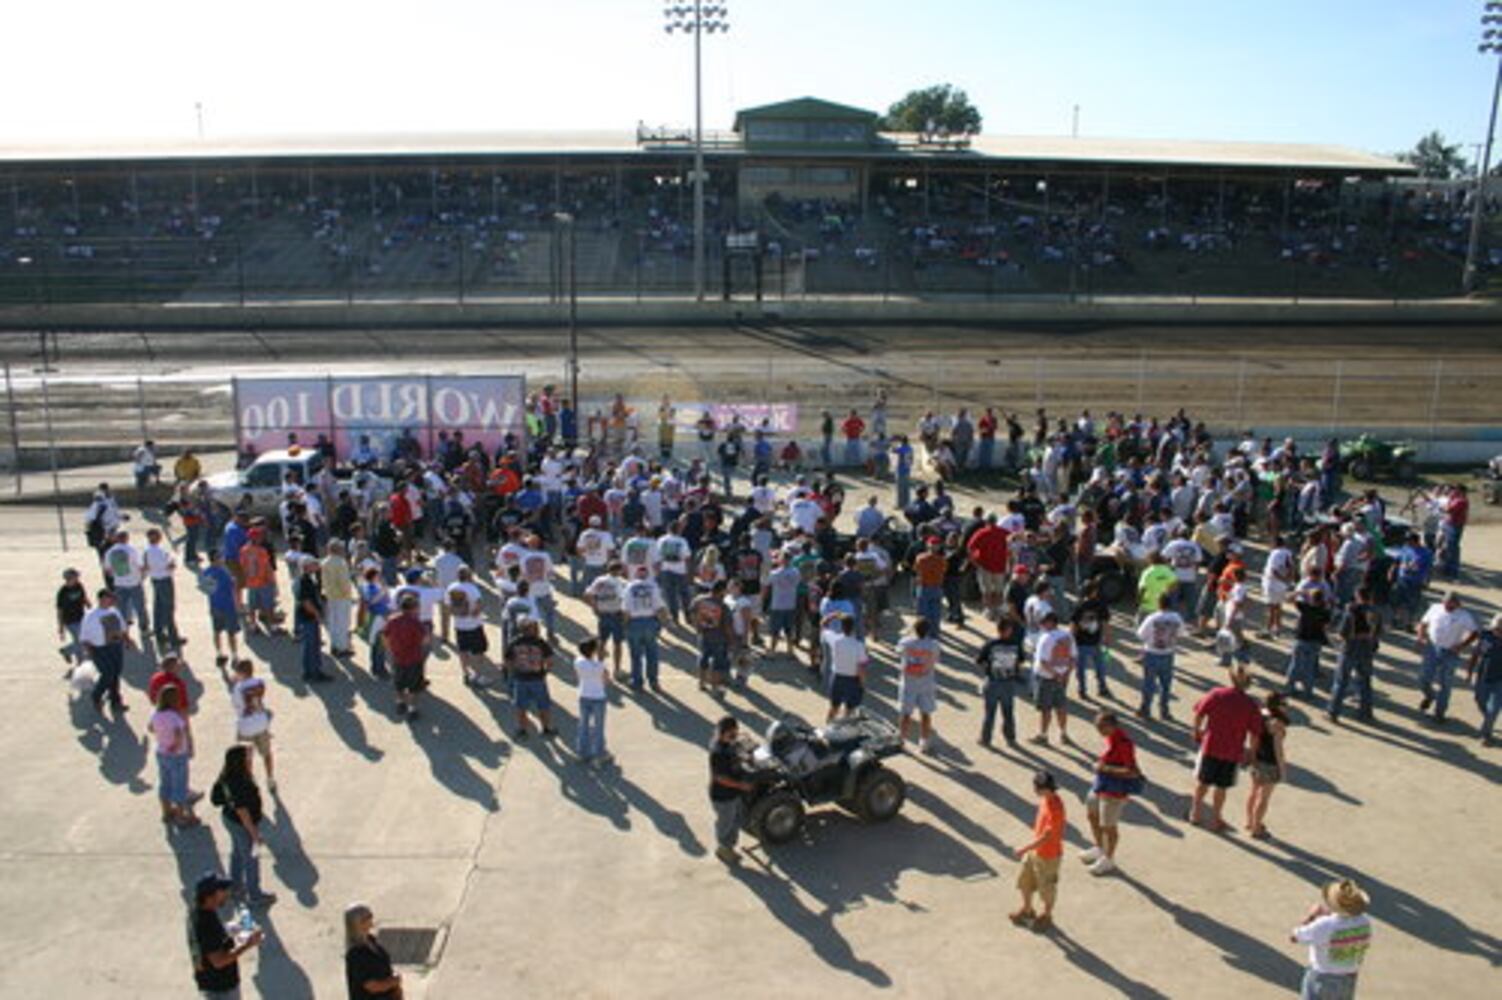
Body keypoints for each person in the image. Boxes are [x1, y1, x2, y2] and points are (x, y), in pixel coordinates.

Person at [1188, 665, 1264, 833]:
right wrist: (1251, 753)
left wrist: (1196, 731)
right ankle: (1216, 819)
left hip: (1211, 745)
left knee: (1202, 783)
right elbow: (1255, 734)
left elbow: (1199, 713)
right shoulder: (1251, 705)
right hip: (1232, 752)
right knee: (1221, 788)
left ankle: (1195, 813)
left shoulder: (1217, 694)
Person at [210, 745, 275, 908]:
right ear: (241, 762)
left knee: (237, 853)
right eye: (248, 757)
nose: (250, 760)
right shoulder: (239, 783)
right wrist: (254, 834)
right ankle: (254, 895)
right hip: (241, 824)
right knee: (251, 858)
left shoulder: (228, 775)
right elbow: (243, 812)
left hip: (230, 819)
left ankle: (235, 886)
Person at [1289, 879, 1373, 999]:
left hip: (1322, 977)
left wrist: (1312, 916)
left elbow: (1294, 937)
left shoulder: (1324, 925)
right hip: (1349, 978)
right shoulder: (1365, 921)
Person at [1081, 711, 1140, 876]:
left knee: (1109, 827)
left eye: (1101, 727)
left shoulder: (1124, 743)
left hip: (1114, 792)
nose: (1098, 730)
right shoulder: (1110, 738)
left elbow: (1132, 772)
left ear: (1112, 726)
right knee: (1092, 815)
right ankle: (1099, 848)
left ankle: (1109, 859)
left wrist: (1104, 768)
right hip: (1102, 785)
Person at [189, 872, 262, 998]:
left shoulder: (199, 911)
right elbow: (219, 961)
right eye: (222, 890)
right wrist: (248, 944)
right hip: (221, 989)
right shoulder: (206, 924)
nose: (227, 893)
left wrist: (232, 928)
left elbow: (210, 941)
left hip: (212, 984)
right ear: (209, 896)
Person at [1010, 769, 1066, 933]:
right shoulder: (1044, 800)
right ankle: (1027, 910)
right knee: (1025, 881)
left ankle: (1047, 915)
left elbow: (1046, 838)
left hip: (1049, 856)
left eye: (1037, 788)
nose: (1034, 790)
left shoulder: (1056, 809)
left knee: (1046, 889)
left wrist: (1023, 849)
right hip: (1036, 851)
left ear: (1046, 789)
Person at [1416, 591, 1479, 724]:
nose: (1447, 607)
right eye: (1446, 604)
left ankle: (1439, 713)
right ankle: (1430, 696)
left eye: (1451, 605)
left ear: (1457, 604)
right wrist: (1421, 637)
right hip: (1432, 648)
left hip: (1450, 653)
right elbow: (1423, 623)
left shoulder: (1464, 616)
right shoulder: (1435, 608)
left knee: (1445, 684)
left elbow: (1475, 632)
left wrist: (1461, 645)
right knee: (1423, 678)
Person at [1328, 587, 1381, 723]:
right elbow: (1378, 633)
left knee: (1341, 682)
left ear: (1358, 596)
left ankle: (1333, 712)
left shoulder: (1351, 612)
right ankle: (1366, 712)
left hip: (1350, 649)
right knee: (1365, 682)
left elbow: (1342, 633)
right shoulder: (1376, 613)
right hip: (1367, 650)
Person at [148, 685, 197, 828]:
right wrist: (175, 745)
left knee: (165, 783)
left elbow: (150, 728)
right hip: (176, 755)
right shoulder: (175, 716)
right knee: (180, 786)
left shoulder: (156, 714)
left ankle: (166, 812)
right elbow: (178, 733)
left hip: (161, 752)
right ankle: (181, 817)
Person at [709, 715, 754, 864]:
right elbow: (721, 778)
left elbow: (735, 755)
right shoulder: (718, 752)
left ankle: (728, 847)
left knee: (734, 820)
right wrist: (741, 786)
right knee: (726, 824)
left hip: (733, 794)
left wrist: (744, 758)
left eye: (736, 733)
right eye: (731, 735)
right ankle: (724, 849)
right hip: (723, 796)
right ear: (722, 733)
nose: (735, 737)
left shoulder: (728, 744)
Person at [81, 588, 133, 715]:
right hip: (99, 649)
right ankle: (96, 696)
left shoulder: (114, 611)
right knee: (107, 674)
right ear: (102, 599)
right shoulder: (91, 616)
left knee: (116, 673)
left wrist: (127, 640)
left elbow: (122, 628)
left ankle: (115, 701)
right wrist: (88, 651)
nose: (112, 600)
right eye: (109, 598)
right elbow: (84, 636)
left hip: (115, 646)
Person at [976, 614, 1026, 747]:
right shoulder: (1015, 645)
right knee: (1007, 712)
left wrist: (988, 671)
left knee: (991, 713)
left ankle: (986, 739)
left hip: (993, 682)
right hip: (1006, 683)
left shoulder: (991, 644)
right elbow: (1021, 662)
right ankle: (1010, 738)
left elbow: (979, 661)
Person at [504, 617, 557, 741]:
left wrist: (513, 672)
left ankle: (522, 729)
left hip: (520, 679)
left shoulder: (514, 643)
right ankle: (546, 728)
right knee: (543, 705)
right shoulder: (540, 643)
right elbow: (549, 661)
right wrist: (545, 672)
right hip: (537, 679)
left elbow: (507, 660)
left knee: (521, 706)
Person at [1246, 692, 1290, 840]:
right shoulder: (1277, 724)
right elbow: (1278, 750)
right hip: (1270, 764)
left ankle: (1249, 822)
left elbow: (1254, 737)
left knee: (1253, 792)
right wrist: (1282, 770)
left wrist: (1252, 755)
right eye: (1284, 704)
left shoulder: (1261, 715)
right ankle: (1257, 828)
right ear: (1276, 706)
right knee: (1263, 798)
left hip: (1258, 759)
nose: (1287, 707)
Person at [1135, 592, 1184, 721]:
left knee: (1149, 684)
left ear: (1158, 604)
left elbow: (1140, 635)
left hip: (1151, 653)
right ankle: (1164, 710)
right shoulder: (1177, 617)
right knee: (1166, 685)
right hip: (1168, 654)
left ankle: (1145, 709)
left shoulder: (1152, 618)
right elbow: (1182, 633)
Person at [229, 659, 275, 793]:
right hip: (261, 722)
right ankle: (270, 778)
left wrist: (236, 684)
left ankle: (250, 781)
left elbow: (236, 705)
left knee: (246, 757)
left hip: (246, 725)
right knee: (266, 753)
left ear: (240, 672)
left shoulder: (238, 688)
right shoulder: (260, 683)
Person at [1030, 611, 1076, 746]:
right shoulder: (1068, 636)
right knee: (1061, 707)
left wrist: (1055, 674)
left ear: (1050, 623)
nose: (1042, 625)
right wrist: (1066, 674)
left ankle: (1043, 735)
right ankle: (1063, 734)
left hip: (1046, 678)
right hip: (1062, 679)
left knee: (1046, 709)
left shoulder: (1046, 638)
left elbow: (1043, 662)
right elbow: (1073, 658)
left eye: (1044, 622)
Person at [896, 618, 941, 753]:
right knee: (925, 714)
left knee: (905, 715)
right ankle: (924, 741)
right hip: (926, 683)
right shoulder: (934, 645)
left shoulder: (905, 643)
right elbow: (936, 660)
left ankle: (901, 739)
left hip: (908, 683)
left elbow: (897, 650)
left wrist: (909, 633)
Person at [383, 594, 428, 720]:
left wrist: (391, 649)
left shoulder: (392, 620)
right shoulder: (416, 623)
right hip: (414, 659)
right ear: (414, 608)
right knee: (414, 686)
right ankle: (412, 709)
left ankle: (400, 703)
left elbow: (385, 636)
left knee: (399, 683)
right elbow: (424, 641)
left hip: (397, 658)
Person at [344, 903, 403, 999]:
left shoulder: (371, 940)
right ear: (359, 922)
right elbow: (372, 986)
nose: (372, 918)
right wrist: (393, 981)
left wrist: (396, 987)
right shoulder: (355, 954)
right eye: (369, 916)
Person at [447, 566, 488, 688]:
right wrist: (474, 615)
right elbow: (479, 604)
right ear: (469, 575)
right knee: (478, 651)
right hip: (473, 625)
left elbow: (448, 606)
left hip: (459, 625)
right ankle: (478, 676)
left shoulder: (451, 587)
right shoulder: (472, 588)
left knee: (463, 651)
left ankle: (465, 673)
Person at [201, 551, 242, 669]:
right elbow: (233, 587)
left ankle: (219, 653)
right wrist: (237, 605)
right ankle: (234, 655)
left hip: (215, 606)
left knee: (217, 631)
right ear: (216, 559)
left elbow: (206, 590)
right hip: (228, 606)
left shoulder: (206, 572)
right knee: (231, 633)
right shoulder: (224, 572)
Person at [574, 637, 612, 765]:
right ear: (593, 651)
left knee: (583, 725)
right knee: (598, 727)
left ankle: (582, 752)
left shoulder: (578, 662)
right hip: (598, 697)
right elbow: (606, 680)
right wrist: (602, 658)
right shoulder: (600, 666)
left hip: (583, 696)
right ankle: (598, 754)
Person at [144, 527, 183, 649]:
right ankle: (173, 637)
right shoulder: (160, 551)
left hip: (155, 579)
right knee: (168, 609)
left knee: (158, 607)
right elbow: (169, 565)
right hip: (164, 580)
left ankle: (159, 633)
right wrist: (173, 563)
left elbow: (145, 566)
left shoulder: (147, 551)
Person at [293, 558, 331, 683]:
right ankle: (314, 673)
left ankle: (309, 672)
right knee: (312, 646)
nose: (317, 565)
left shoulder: (307, 579)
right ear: (306, 566)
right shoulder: (305, 581)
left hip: (307, 617)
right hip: (308, 618)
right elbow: (306, 602)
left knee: (310, 646)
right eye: (314, 564)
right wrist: (317, 614)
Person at [825, 614, 868, 722]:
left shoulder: (834, 640)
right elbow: (861, 668)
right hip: (853, 680)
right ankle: (844, 729)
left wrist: (833, 615)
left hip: (837, 678)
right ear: (853, 628)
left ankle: (828, 725)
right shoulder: (859, 646)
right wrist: (863, 684)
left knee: (834, 707)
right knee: (849, 710)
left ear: (841, 627)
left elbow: (823, 625)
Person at [1468, 614, 1502, 747]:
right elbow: (1476, 654)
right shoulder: (1486, 636)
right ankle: (1489, 721)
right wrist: (1469, 672)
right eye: (1497, 629)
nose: (1498, 632)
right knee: (1480, 701)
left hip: (1500, 681)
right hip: (1483, 677)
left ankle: (1486, 734)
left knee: (1493, 709)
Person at [55, 567, 89, 670]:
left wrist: (89, 605)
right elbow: (59, 611)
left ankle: (72, 655)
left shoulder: (79, 585)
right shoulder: (62, 592)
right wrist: (61, 627)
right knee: (80, 642)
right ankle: (74, 657)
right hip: (70, 621)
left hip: (81, 617)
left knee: (81, 640)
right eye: (75, 577)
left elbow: (84, 597)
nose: (78, 578)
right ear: (69, 579)